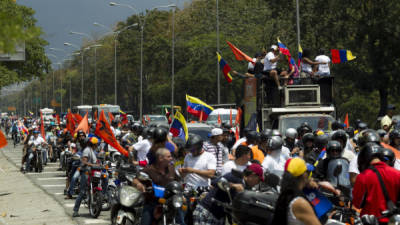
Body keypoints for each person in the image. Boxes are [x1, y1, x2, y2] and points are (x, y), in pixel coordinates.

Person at [193, 163, 264, 225]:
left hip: (219, 216)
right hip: (207, 212)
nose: (257, 183)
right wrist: (233, 186)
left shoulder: (246, 188)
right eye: (259, 180)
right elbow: (214, 182)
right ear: (252, 175)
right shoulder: (235, 176)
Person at [353, 143, 400, 224]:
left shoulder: (363, 177)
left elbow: (357, 204)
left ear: (364, 159)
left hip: (370, 221)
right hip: (393, 221)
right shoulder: (397, 174)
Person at [132, 148, 178, 225]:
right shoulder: (149, 169)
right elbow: (135, 180)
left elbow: (178, 182)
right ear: (160, 158)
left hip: (169, 203)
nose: (171, 158)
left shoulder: (171, 169)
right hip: (152, 202)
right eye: (169, 157)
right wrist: (138, 184)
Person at [273, 157, 322, 225]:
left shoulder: (285, 194)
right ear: (304, 175)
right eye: (307, 172)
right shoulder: (300, 203)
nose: (310, 177)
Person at [72, 137, 100, 217]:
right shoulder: (87, 150)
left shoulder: (93, 151)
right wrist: (94, 165)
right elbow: (84, 161)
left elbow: (96, 162)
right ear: (93, 144)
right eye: (96, 144)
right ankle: (75, 210)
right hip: (86, 172)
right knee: (82, 192)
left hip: (93, 172)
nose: (97, 145)